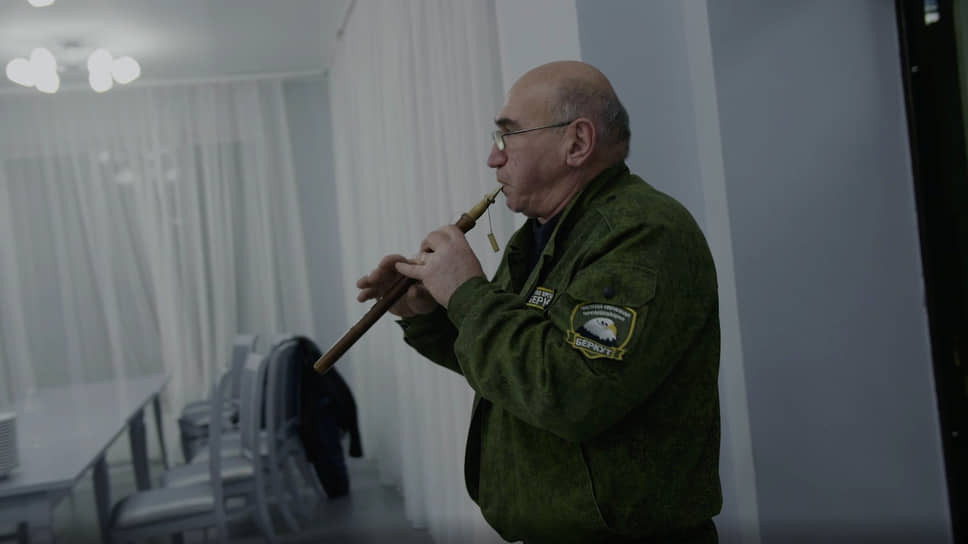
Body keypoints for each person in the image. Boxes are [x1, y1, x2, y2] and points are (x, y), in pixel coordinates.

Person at [357, 61, 722, 543]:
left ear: (577, 143)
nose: (493, 158)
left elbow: (573, 393)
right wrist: (428, 313)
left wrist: (467, 292)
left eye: (507, 136)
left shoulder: (642, 232)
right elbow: (511, 370)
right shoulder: (539, 236)